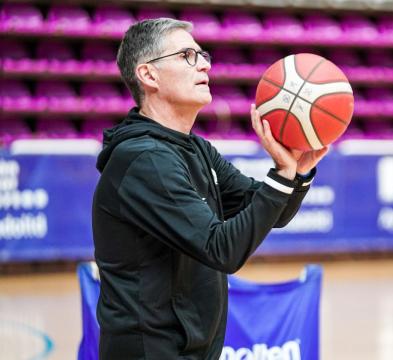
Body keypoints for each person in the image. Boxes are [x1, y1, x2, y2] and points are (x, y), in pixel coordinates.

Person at [92, 18, 328, 360]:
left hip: (193, 348)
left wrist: (297, 172)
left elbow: (267, 210)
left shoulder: (196, 149)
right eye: (187, 55)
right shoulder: (145, 159)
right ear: (148, 75)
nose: (204, 63)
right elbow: (222, 250)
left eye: (203, 54)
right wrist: (281, 177)